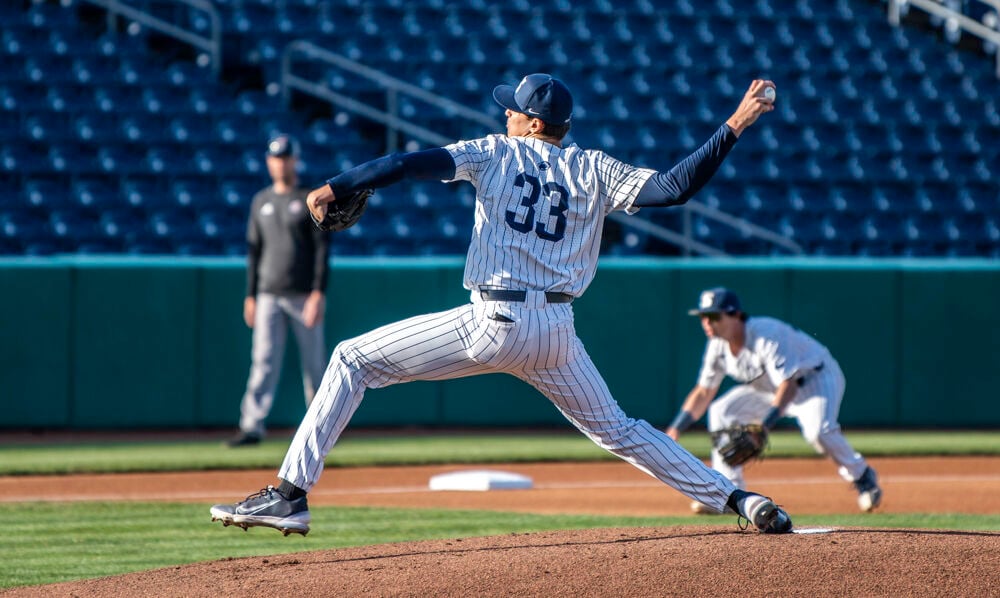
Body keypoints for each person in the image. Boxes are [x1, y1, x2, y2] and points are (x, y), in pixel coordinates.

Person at [211, 73, 793, 534]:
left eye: (513, 108)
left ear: (533, 121)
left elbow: (408, 164)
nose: (505, 113)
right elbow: (675, 187)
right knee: (621, 428)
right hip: (557, 332)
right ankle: (739, 498)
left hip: (493, 318)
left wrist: (336, 185)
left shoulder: (494, 151)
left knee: (349, 360)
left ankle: (289, 495)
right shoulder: (593, 167)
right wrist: (736, 122)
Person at [666, 287, 883, 513]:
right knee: (722, 410)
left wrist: (764, 426)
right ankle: (728, 492)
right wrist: (675, 429)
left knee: (819, 431)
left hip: (813, 380)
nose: (707, 323)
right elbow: (703, 392)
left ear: (736, 315)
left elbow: (788, 385)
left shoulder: (766, 335)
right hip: (770, 388)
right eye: (703, 316)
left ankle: (862, 475)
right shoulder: (717, 346)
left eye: (714, 316)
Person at [226, 134, 330, 447]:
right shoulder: (261, 201)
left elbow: (322, 249)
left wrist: (318, 292)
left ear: (295, 160)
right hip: (269, 292)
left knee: (315, 365)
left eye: (285, 157)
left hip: (302, 294)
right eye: (275, 158)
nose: (280, 163)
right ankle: (252, 426)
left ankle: (321, 428)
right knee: (263, 361)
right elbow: (254, 251)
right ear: (269, 162)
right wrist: (250, 295)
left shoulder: (308, 197)